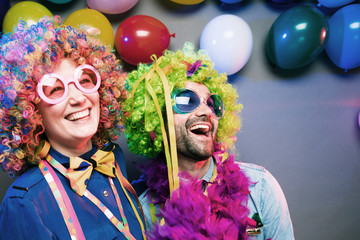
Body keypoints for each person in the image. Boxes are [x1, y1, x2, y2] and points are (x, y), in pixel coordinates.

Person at [124, 42, 295, 239]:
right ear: (157, 120)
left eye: (212, 103)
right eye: (187, 100)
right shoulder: (141, 212)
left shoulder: (260, 188)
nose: (206, 111)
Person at [0, 16, 146, 240]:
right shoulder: (23, 203)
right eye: (55, 89)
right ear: (30, 109)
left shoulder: (114, 159)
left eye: (85, 80)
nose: (78, 97)